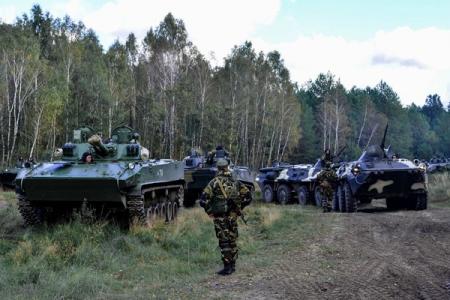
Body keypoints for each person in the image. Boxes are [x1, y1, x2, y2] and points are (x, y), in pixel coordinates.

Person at [199, 158, 252, 275]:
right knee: (232, 239)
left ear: (218, 168)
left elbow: (203, 200)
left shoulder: (214, 182)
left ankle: (227, 267)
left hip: (220, 217)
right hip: (233, 216)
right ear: (227, 167)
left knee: (224, 241)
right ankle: (232, 266)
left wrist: (209, 212)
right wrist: (238, 208)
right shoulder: (235, 182)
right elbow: (248, 197)